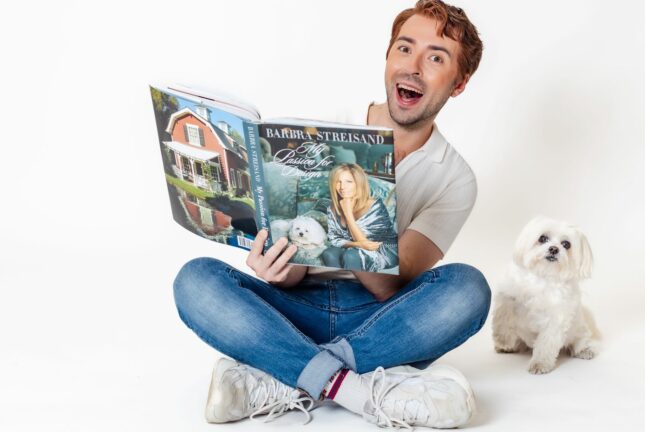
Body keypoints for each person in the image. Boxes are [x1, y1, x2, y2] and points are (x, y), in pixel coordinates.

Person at [173, 0, 488, 429]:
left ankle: (287, 376)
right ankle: (355, 388)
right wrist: (279, 266)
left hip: (379, 319)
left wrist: (346, 212)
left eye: (436, 58)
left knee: (468, 289)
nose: (413, 67)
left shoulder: (455, 178)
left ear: (459, 84)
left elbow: (389, 287)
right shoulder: (322, 127)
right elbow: (295, 269)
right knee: (196, 280)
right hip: (292, 309)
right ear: (388, 57)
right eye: (404, 48)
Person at [321, 163, 398, 272]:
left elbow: (366, 242)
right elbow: (334, 238)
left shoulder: (374, 205)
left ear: (358, 184)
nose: (342, 187)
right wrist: (355, 244)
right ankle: (339, 286)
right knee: (329, 254)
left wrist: (348, 213)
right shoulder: (333, 207)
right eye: (338, 182)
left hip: (383, 249)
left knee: (351, 255)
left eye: (349, 181)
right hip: (356, 246)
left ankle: (353, 287)